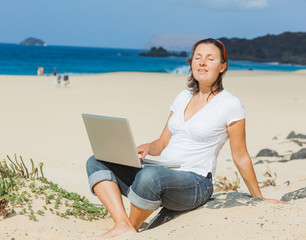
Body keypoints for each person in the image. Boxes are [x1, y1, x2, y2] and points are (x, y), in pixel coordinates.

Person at [86, 38, 284, 239]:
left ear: (223, 66)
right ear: (191, 62)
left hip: (196, 182)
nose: (202, 62)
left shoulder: (230, 104)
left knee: (150, 176)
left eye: (210, 58)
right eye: (197, 57)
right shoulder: (183, 97)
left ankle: (130, 227)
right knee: (97, 160)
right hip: (161, 170)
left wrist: (258, 198)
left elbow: (240, 156)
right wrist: (145, 148)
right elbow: (162, 143)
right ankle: (122, 223)